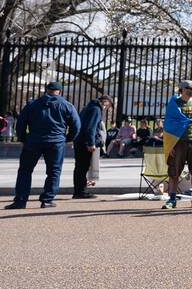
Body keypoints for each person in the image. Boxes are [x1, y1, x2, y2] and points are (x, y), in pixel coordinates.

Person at [5, 81, 81, 210]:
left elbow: (21, 124)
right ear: (60, 91)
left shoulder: (32, 104)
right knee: (53, 172)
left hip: (34, 140)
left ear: (46, 90)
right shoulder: (67, 105)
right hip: (56, 141)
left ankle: (21, 200)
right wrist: (67, 138)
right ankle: (47, 199)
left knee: (25, 171)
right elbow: (76, 125)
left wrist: (24, 138)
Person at [162, 79, 192, 210]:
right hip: (178, 142)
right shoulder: (174, 104)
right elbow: (169, 125)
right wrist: (169, 146)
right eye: (190, 90)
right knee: (174, 172)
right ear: (182, 89)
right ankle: (172, 199)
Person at [72, 94, 113, 198]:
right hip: (85, 142)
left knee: (79, 167)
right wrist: (91, 143)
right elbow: (91, 128)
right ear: (105, 102)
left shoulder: (89, 107)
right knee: (83, 167)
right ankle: (81, 191)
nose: (106, 108)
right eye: (108, 106)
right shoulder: (96, 109)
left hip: (79, 140)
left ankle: (78, 190)